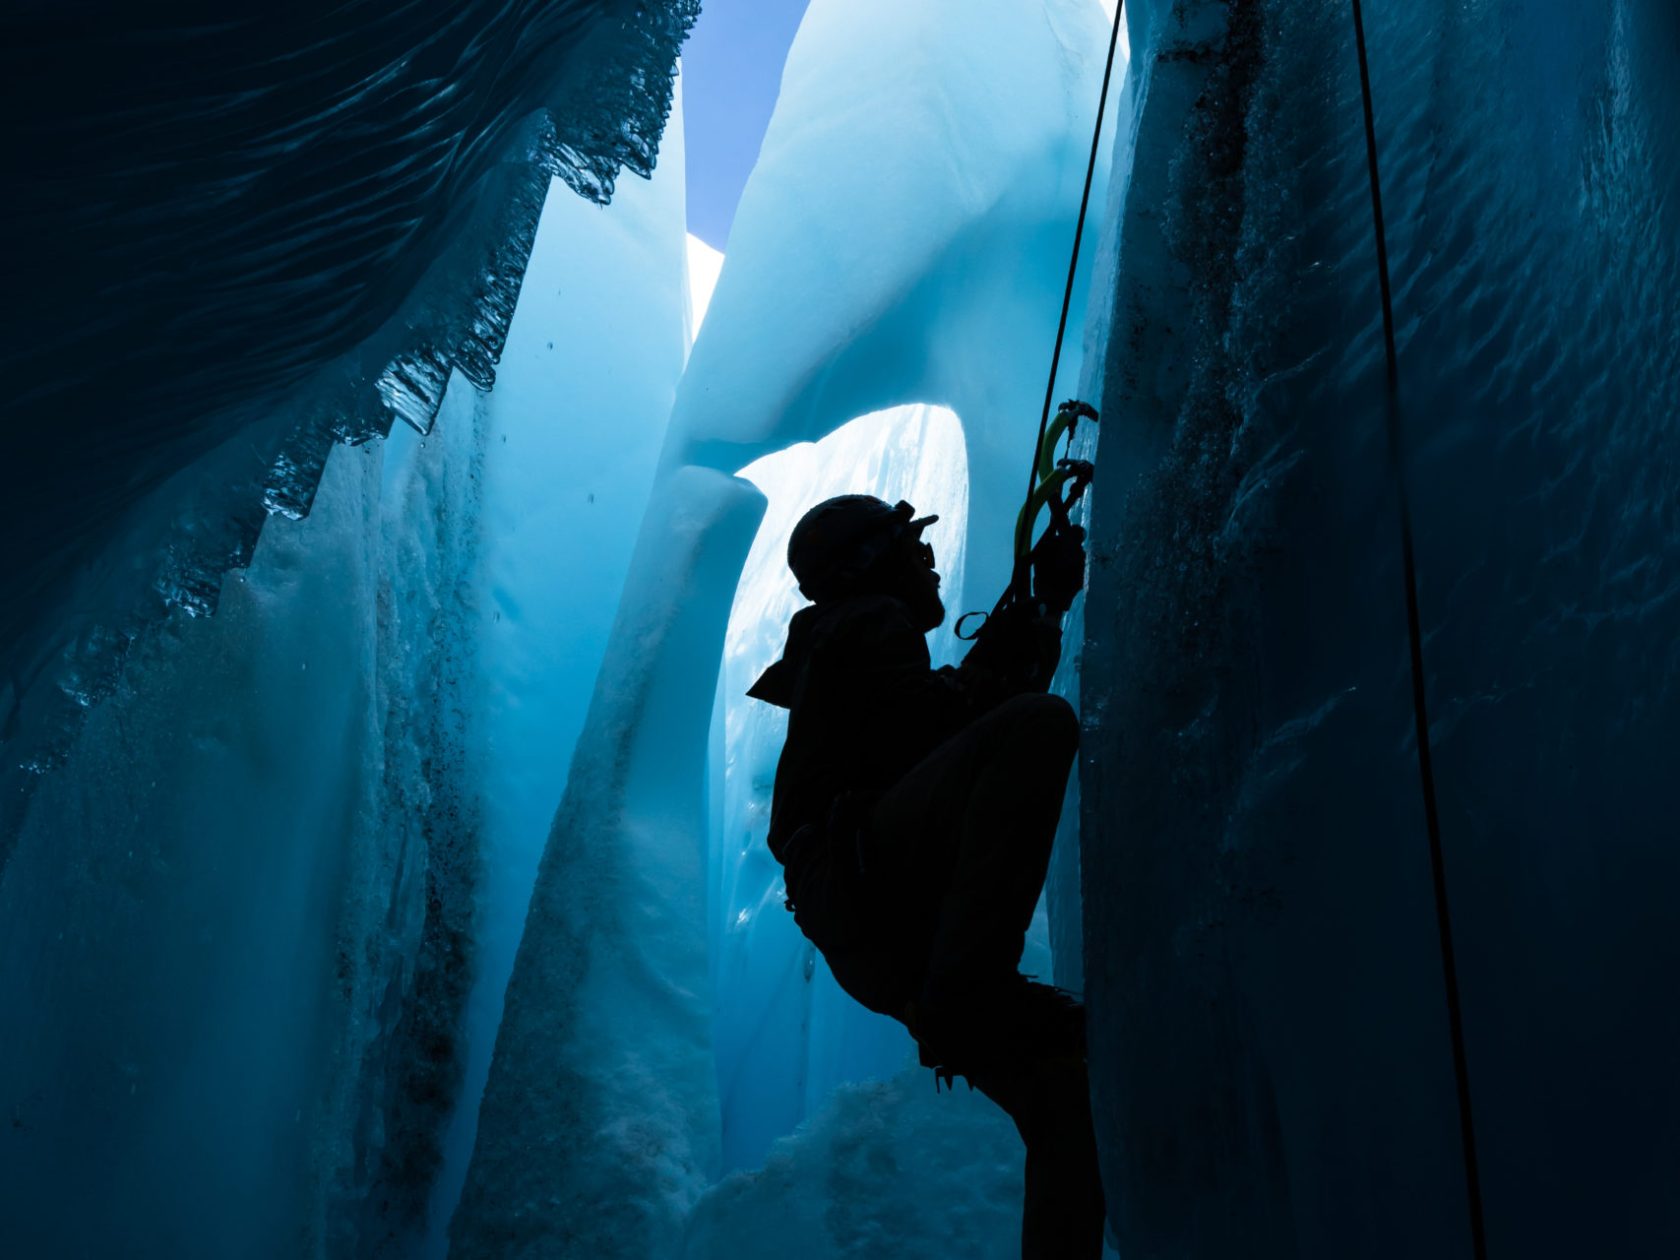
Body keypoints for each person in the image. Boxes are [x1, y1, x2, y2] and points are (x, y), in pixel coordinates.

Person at [747, 493, 1105, 1259]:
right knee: (1040, 726)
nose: (929, 560)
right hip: (875, 890)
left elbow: (933, 722)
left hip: (879, 934)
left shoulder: (840, 648)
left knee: (1064, 1105)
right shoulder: (865, 624)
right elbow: (949, 729)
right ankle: (970, 995)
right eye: (911, 548)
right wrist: (1040, 607)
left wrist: (1035, 611)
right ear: (866, 566)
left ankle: (965, 1002)